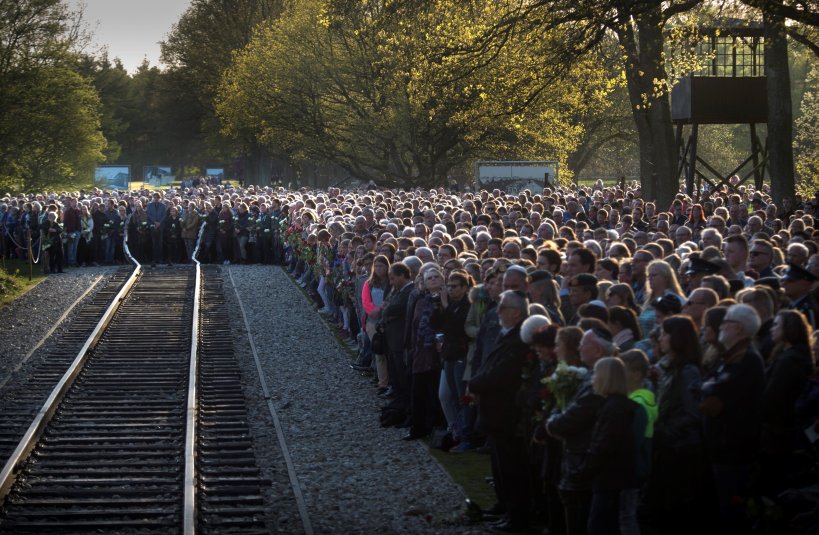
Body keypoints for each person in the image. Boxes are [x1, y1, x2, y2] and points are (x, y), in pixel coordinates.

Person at [469, 290, 531, 532]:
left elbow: (501, 372)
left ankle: (517, 517)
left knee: (512, 468)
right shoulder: (507, 334)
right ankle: (504, 506)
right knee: (500, 465)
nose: (498, 312)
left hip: (506, 412)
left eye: (503, 307)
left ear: (515, 312)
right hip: (495, 412)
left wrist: (476, 383)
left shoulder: (518, 339)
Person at [701, 303, 765, 533]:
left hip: (733, 448)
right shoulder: (731, 355)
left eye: (725, 323)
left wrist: (705, 392)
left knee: (732, 513)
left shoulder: (745, 359)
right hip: (721, 446)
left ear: (737, 328)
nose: (721, 328)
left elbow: (715, 400)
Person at [546, 327, 611, 535]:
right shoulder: (587, 376)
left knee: (579, 517)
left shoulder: (598, 380)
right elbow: (563, 406)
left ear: (598, 351)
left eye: (585, 344)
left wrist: (553, 424)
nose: (580, 347)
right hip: (574, 454)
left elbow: (576, 414)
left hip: (581, 456)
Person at [647, 315, 707, 534]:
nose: (661, 338)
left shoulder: (687, 371)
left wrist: (666, 432)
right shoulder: (664, 366)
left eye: (664, 334)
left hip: (680, 449)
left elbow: (693, 413)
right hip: (665, 446)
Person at [580, 357, 640, 535]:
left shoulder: (614, 409)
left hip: (611, 479)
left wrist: (584, 469)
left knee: (602, 525)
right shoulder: (623, 406)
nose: (593, 379)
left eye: (596, 375)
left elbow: (603, 445)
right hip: (621, 478)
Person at [760, 309, 814, 496]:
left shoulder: (789, 360)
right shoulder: (791, 356)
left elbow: (774, 398)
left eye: (777, 325)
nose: (772, 329)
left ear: (789, 329)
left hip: (779, 433)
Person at [146, 192, 167, 266]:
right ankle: (154, 259)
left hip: (160, 226)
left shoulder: (163, 206)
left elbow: (164, 215)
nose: (155, 199)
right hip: (153, 225)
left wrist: (159, 223)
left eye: (157, 197)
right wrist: (155, 222)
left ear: (159, 198)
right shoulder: (149, 205)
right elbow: (148, 215)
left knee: (160, 243)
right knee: (154, 243)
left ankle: (160, 259)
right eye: (154, 197)